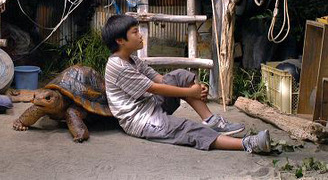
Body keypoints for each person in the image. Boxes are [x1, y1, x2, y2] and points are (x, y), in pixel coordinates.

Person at [101, 14, 271, 153]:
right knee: (187, 128)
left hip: (151, 105)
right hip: (142, 120)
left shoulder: (133, 60)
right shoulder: (118, 66)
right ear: (120, 40)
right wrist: (190, 93)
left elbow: (161, 79)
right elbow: (154, 88)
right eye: (135, 32)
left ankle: (210, 120)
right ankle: (248, 144)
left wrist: (194, 86)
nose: (140, 35)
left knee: (180, 75)